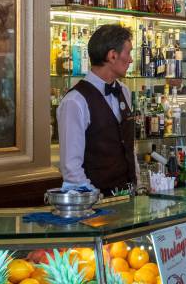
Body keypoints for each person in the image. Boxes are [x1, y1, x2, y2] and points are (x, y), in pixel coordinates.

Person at [56, 24, 137, 195]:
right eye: (128, 53)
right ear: (112, 55)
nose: (130, 60)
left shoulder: (124, 91)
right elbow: (71, 168)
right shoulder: (75, 101)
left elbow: (129, 148)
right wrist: (94, 199)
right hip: (96, 206)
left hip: (130, 199)